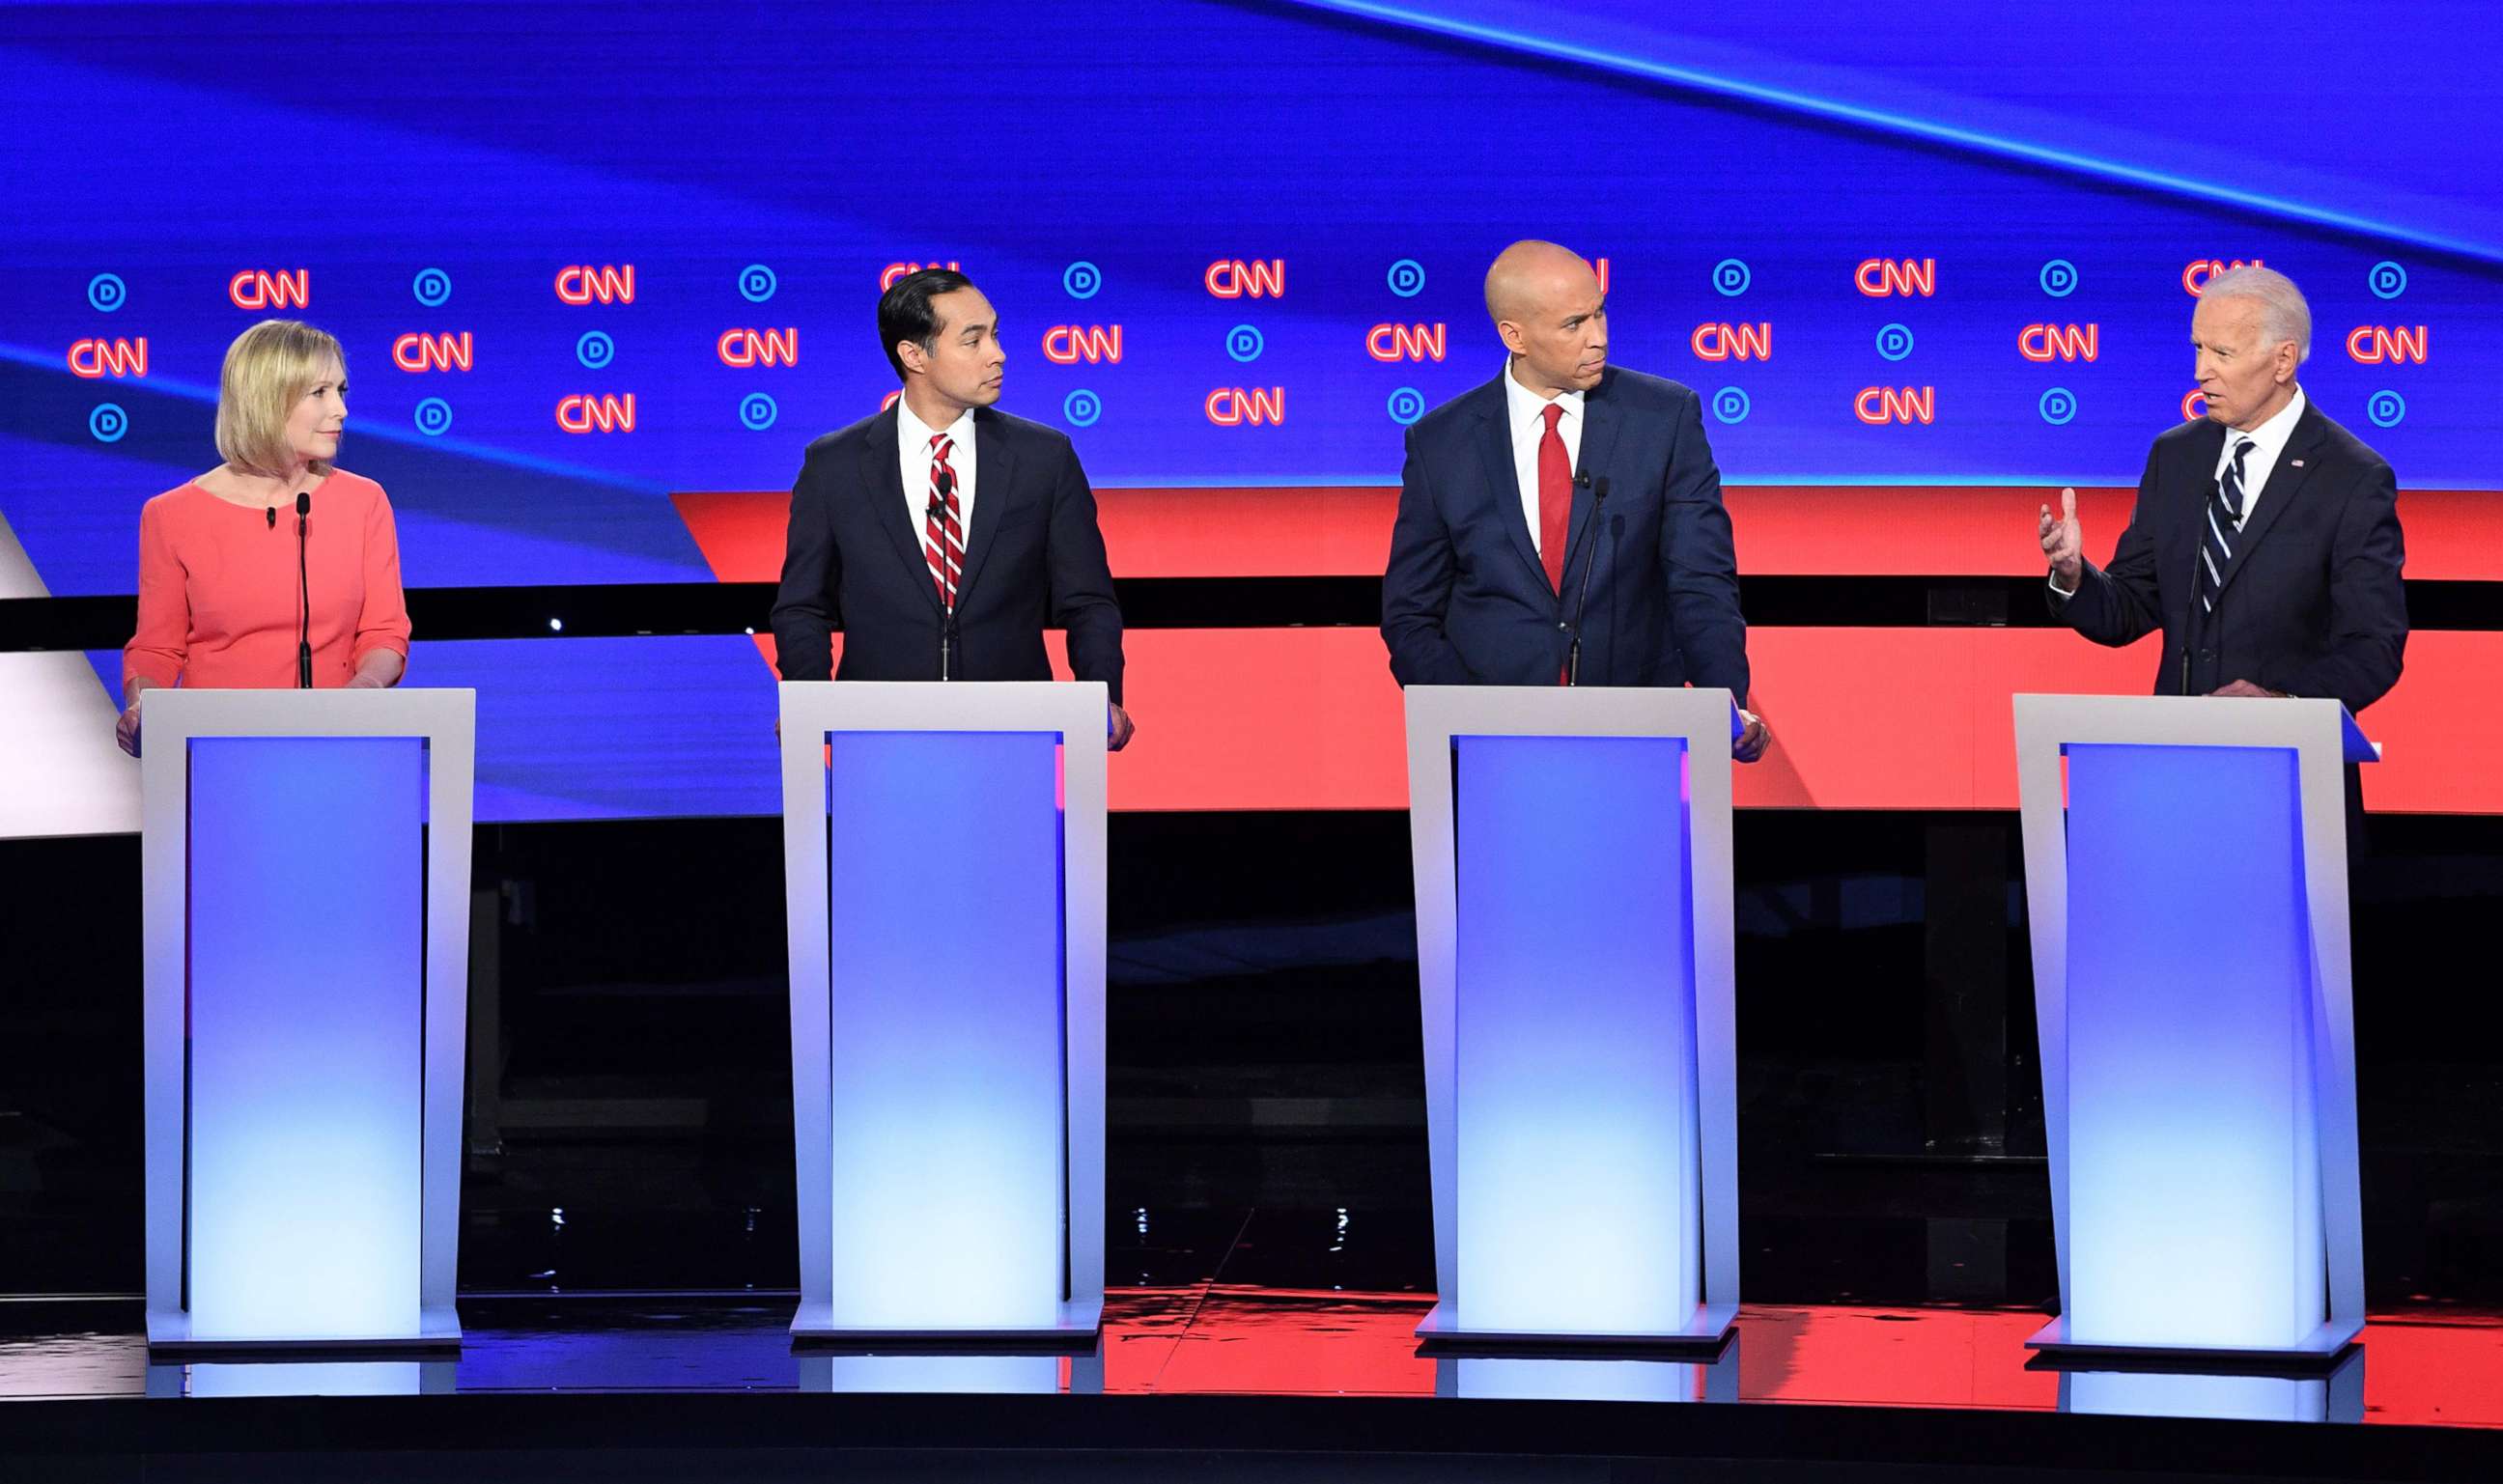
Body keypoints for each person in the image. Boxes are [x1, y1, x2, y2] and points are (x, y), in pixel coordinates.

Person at [1380, 240, 1766, 760]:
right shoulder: (1440, 443)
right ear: (1514, 336)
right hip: (1492, 746)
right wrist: (1470, 717)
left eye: (1600, 313)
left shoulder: (1664, 419)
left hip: (1636, 732)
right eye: (1573, 324)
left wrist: (1727, 704)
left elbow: (1700, 581)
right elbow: (1410, 615)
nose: (1599, 338)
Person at [770, 268, 1131, 748]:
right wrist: (809, 702)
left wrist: (1100, 696)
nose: (997, 354)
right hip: (876, 739)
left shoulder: (1044, 457)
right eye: (972, 340)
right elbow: (803, 606)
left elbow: (1087, 601)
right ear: (913, 355)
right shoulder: (835, 465)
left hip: (1012, 736)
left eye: (995, 334)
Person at [2039, 266, 2406, 712]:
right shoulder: (2175, 456)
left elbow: (2373, 647)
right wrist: (2074, 576)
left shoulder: (2352, 477)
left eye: (2222, 354)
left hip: (2293, 763)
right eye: (2198, 348)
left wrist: (2282, 702)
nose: (2200, 371)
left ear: (2283, 361)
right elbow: (2129, 608)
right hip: (2183, 756)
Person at [118, 320, 410, 756]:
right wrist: (143, 706)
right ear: (268, 401)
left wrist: (361, 693)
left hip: (343, 749)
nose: (341, 410)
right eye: (320, 393)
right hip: (218, 756)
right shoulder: (171, 515)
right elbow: (157, 647)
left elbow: (385, 632)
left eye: (341, 391)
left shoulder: (364, 501)